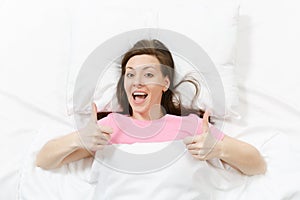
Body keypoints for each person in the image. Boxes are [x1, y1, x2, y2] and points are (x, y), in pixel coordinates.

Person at [36, 39, 266, 177]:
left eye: (148, 74)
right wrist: (79, 138)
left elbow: (256, 164)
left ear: (165, 83)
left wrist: (218, 149)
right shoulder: (109, 127)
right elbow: (44, 160)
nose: (137, 82)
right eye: (130, 74)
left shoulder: (192, 126)